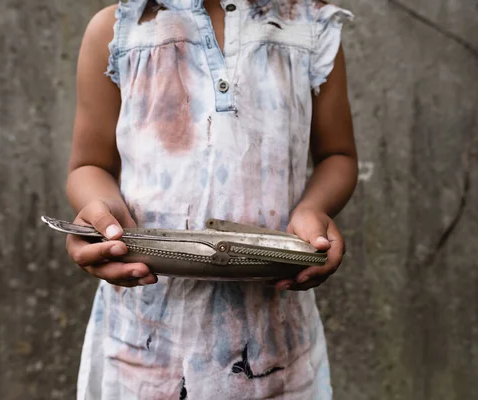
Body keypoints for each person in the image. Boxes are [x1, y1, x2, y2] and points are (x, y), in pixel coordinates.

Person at [65, 0, 358, 398]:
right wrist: (103, 216)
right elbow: (89, 165)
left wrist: (313, 209)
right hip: (143, 343)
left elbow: (337, 156)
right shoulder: (119, 30)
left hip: (272, 345)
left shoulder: (308, 30)